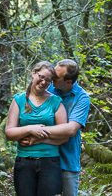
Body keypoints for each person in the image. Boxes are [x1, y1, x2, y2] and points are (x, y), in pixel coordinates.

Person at [21, 59, 90, 196]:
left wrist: (37, 135)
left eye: (56, 77)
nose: (51, 79)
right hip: (44, 156)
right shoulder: (48, 87)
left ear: (68, 82)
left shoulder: (82, 98)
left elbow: (71, 129)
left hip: (67, 160)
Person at [5, 60, 69, 196]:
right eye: (41, 77)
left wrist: (39, 139)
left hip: (50, 162)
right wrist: (30, 129)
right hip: (24, 162)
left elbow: (64, 135)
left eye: (48, 80)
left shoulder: (55, 101)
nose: (44, 82)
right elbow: (9, 133)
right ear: (33, 73)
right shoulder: (19, 100)